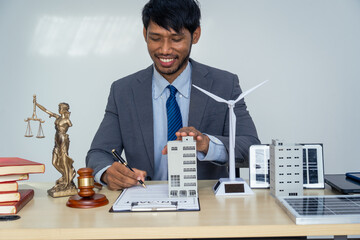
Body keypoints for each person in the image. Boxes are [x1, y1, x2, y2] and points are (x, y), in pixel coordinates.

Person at [86, 0, 260, 190]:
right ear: (145, 34)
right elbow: (98, 153)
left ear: (195, 35)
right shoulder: (123, 91)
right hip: (144, 205)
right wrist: (107, 172)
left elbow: (251, 148)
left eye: (176, 39)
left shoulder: (224, 84)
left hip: (207, 207)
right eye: (155, 38)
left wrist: (207, 145)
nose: (165, 50)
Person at [36, 99, 77, 196]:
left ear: (64, 110)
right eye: (59, 108)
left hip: (63, 139)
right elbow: (46, 111)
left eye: (60, 108)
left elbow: (70, 124)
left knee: (64, 160)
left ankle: (67, 182)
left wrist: (67, 116)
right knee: (54, 162)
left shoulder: (67, 120)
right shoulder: (58, 117)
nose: (59, 109)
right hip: (57, 140)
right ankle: (66, 176)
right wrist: (36, 103)